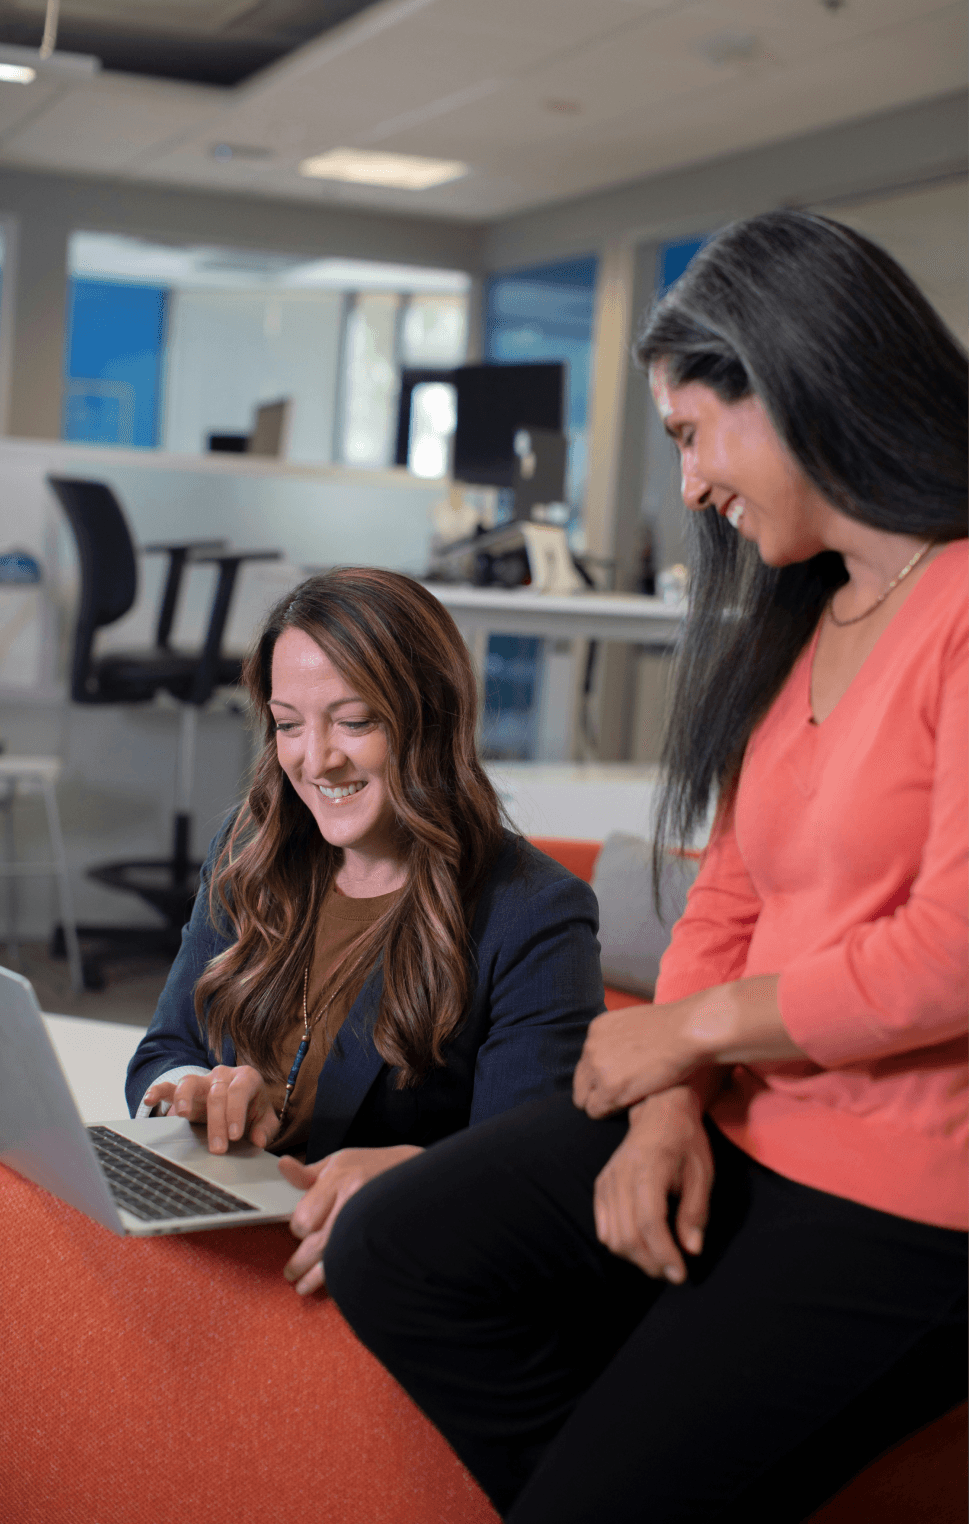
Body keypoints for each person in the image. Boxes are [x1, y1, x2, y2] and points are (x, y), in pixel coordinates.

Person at [321, 211, 968, 1521]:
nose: (686, 491)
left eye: (688, 434)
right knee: (395, 1248)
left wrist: (686, 1033)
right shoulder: (814, 611)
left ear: (791, 378)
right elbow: (728, 893)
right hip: (743, 1123)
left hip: (906, 1196)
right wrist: (671, 1098)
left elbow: (951, 952)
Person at [126, 567, 603, 1294]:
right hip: (212, 1229)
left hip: (364, 1265)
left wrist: (410, 1175)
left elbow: (531, 1171)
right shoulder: (248, 847)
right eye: (289, 724)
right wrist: (190, 1089)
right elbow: (165, 1049)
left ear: (429, 719)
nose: (315, 760)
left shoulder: (532, 911)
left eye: (354, 721)